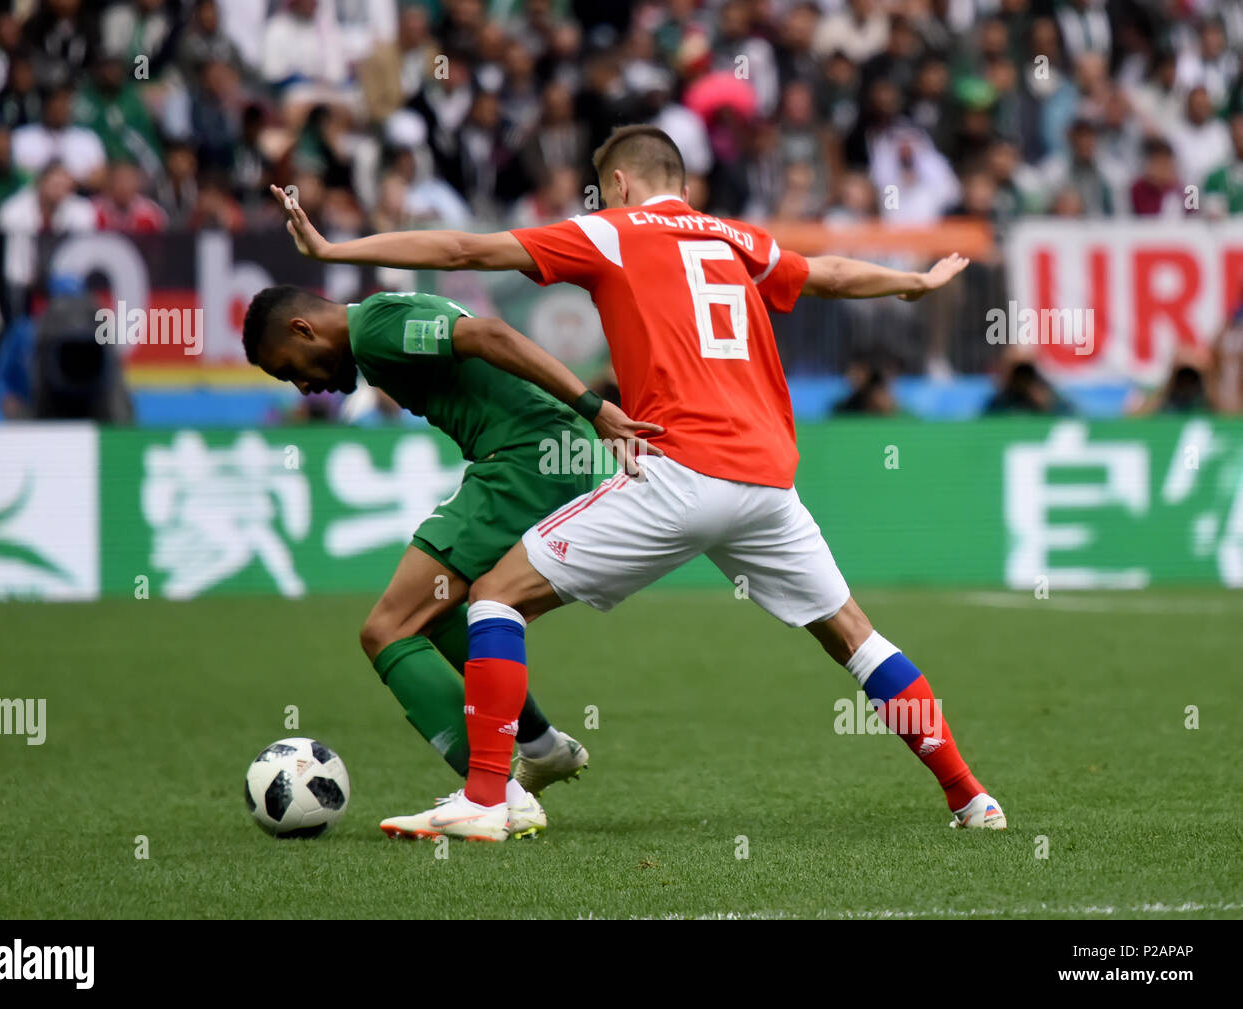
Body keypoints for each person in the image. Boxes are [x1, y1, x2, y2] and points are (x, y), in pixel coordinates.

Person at [268, 124, 1005, 842]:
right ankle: (971, 797)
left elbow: (463, 247)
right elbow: (832, 274)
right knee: (856, 637)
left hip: (678, 468)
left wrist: (337, 247)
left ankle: (488, 797)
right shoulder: (735, 238)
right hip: (767, 482)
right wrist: (914, 280)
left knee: (495, 596)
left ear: (617, 185)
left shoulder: (610, 232)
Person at [241, 283, 658, 839]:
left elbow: (490, 333)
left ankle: (496, 795)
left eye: (290, 367)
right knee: (441, 609)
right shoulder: (378, 326)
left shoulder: (376, 330)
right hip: (536, 455)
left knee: (387, 630)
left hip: (522, 462)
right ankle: (540, 746)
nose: (303, 385)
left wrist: (593, 407)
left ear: (303, 329)